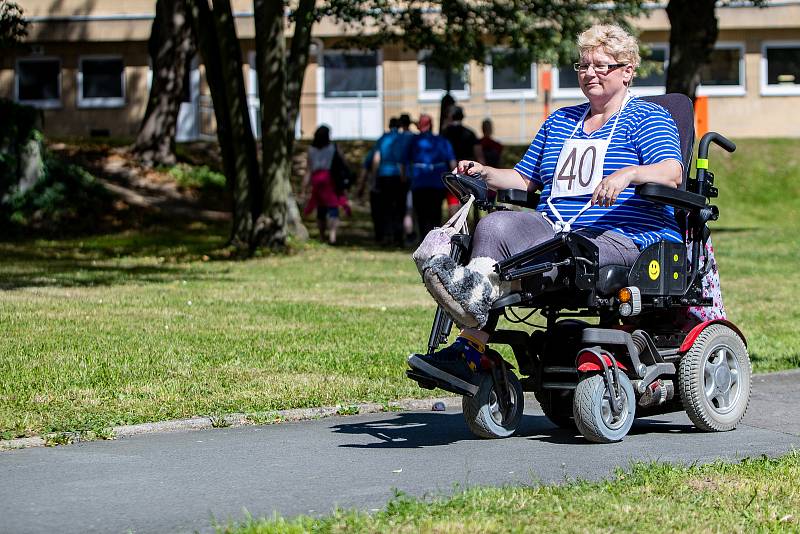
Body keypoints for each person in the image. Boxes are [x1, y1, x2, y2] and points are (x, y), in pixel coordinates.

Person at [408, 24, 685, 388]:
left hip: (622, 234)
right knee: (495, 226)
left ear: (628, 70)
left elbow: (672, 172)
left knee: (569, 251)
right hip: (556, 227)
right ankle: (470, 339)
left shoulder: (647, 117)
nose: (590, 73)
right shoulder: (560, 121)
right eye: (584, 66)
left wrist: (626, 175)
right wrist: (484, 172)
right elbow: (525, 179)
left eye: (601, 66)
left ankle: (468, 311)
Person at [405, 113, 457, 239]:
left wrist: (408, 178)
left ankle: (424, 239)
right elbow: (452, 163)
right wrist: (455, 180)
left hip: (419, 182)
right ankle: (433, 240)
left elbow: (407, 162)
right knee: (435, 213)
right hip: (436, 182)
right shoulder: (442, 141)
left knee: (421, 214)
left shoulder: (413, 141)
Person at [302, 125, 349, 245]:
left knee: (320, 209)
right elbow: (343, 163)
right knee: (333, 207)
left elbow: (308, 170)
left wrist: (305, 187)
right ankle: (332, 236)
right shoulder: (333, 147)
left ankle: (322, 235)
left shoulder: (311, 150)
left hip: (317, 180)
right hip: (329, 179)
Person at [441, 106, 485, 216]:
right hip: (468, 172)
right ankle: (473, 229)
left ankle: (455, 230)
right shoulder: (470, 133)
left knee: (454, 201)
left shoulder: (444, 134)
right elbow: (479, 155)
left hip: (451, 172)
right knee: (471, 202)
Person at [372, 117, 409, 246]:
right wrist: (404, 178)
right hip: (398, 176)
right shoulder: (401, 139)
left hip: (384, 175)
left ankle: (387, 236)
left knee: (386, 207)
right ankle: (399, 237)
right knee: (399, 208)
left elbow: (376, 159)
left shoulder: (383, 139)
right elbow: (403, 161)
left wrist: (375, 176)